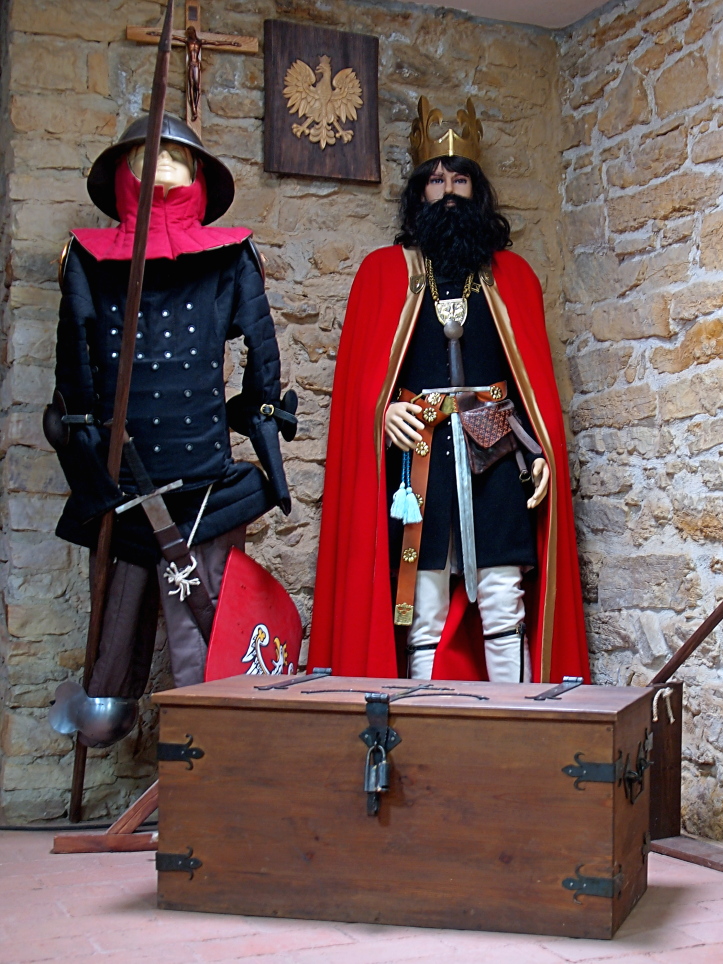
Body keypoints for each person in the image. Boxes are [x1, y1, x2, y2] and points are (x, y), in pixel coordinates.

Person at [309, 96, 588, 684]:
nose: (449, 192)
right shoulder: (383, 274)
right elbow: (365, 386)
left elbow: (530, 386)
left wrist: (540, 451)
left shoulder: (512, 277)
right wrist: (382, 414)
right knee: (424, 605)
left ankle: (514, 724)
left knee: (504, 599)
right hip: (421, 458)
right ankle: (422, 725)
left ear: (476, 190)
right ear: (419, 193)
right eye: (437, 181)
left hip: (498, 452)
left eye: (460, 180)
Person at [50, 113, 294, 712]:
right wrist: (84, 455)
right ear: (122, 174)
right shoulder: (85, 257)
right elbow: (74, 376)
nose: (160, 163)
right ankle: (108, 716)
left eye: (175, 157)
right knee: (109, 667)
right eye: (146, 156)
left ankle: (207, 748)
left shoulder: (231, 256)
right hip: (122, 484)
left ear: (198, 175)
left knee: (206, 654)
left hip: (207, 484)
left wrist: (258, 419)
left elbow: (263, 358)